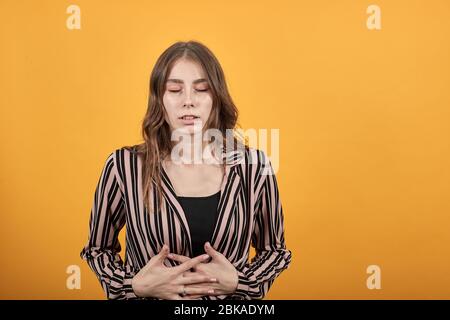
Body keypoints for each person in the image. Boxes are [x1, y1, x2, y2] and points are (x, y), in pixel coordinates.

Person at [80, 40, 292, 300]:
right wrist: (133, 286)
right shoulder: (123, 167)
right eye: (175, 89)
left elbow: (274, 250)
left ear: (216, 98)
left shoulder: (254, 167)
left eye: (201, 89)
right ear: (160, 98)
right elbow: (97, 249)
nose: (188, 101)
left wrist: (241, 281)